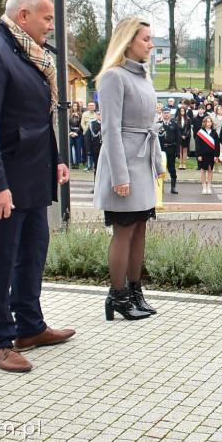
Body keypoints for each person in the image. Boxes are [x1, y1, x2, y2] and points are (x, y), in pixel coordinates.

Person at [0, 0, 73, 373]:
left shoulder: (29, 54)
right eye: (46, 18)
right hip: (3, 181)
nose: (51, 26)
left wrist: (56, 158)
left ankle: (29, 326)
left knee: (33, 253)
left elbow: (40, 117)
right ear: (23, 16)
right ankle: (0, 341)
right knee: (0, 260)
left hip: (32, 177)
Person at [93, 18, 163, 321]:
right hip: (123, 165)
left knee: (140, 230)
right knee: (123, 231)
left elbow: (151, 128)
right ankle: (117, 296)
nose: (150, 45)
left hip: (143, 163)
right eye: (145, 39)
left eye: (150, 39)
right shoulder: (113, 77)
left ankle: (136, 292)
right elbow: (110, 130)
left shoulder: (143, 78)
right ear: (128, 41)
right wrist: (119, 177)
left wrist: (157, 163)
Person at [156, 109, 180, 195]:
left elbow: (178, 138)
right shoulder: (158, 124)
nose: (166, 115)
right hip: (161, 149)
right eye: (164, 113)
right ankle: (159, 187)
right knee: (160, 168)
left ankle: (173, 187)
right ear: (162, 114)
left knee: (172, 168)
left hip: (171, 148)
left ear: (170, 114)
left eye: (167, 113)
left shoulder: (174, 124)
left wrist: (177, 151)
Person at [195, 115, 218, 195]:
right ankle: (204, 187)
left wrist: (216, 155)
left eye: (210, 121)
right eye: (207, 122)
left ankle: (209, 186)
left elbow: (217, 145)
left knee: (210, 170)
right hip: (203, 154)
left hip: (211, 154)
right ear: (204, 123)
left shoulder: (214, 133)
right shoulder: (200, 133)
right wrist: (198, 155)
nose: (209, 123)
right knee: (203, 170)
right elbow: (198, 145)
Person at [84, 109, 102, 174]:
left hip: (105, 149)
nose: (100, 116)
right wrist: (88, 150)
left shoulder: (107, 123)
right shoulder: (92, 124)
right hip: (96, 149)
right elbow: (87, 138)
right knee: (97, 167)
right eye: (99, 114)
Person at [68, 102, 83, 169]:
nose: (75, 107)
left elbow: (81, 125)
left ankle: (77, 162)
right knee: (70, 147)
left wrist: (76, 132)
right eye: (73, 106)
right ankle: (72, 162)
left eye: (76, 106)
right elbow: (68, 124)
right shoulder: (69, 115)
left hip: (78, 132)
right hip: (71, 132)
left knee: (78, 147)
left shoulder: (80, 115)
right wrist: (71, 132)